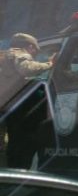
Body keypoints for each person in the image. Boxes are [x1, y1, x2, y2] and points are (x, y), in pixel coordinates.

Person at [0, 33, 53, 165]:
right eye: (35, 50)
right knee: (16, 143)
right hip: (9, 106)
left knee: (8, 143)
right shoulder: (19, 54)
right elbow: (26, 69)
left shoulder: (6, 55)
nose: (34, 55)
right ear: (30, 47)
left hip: (4, 105)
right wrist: (50, 64)